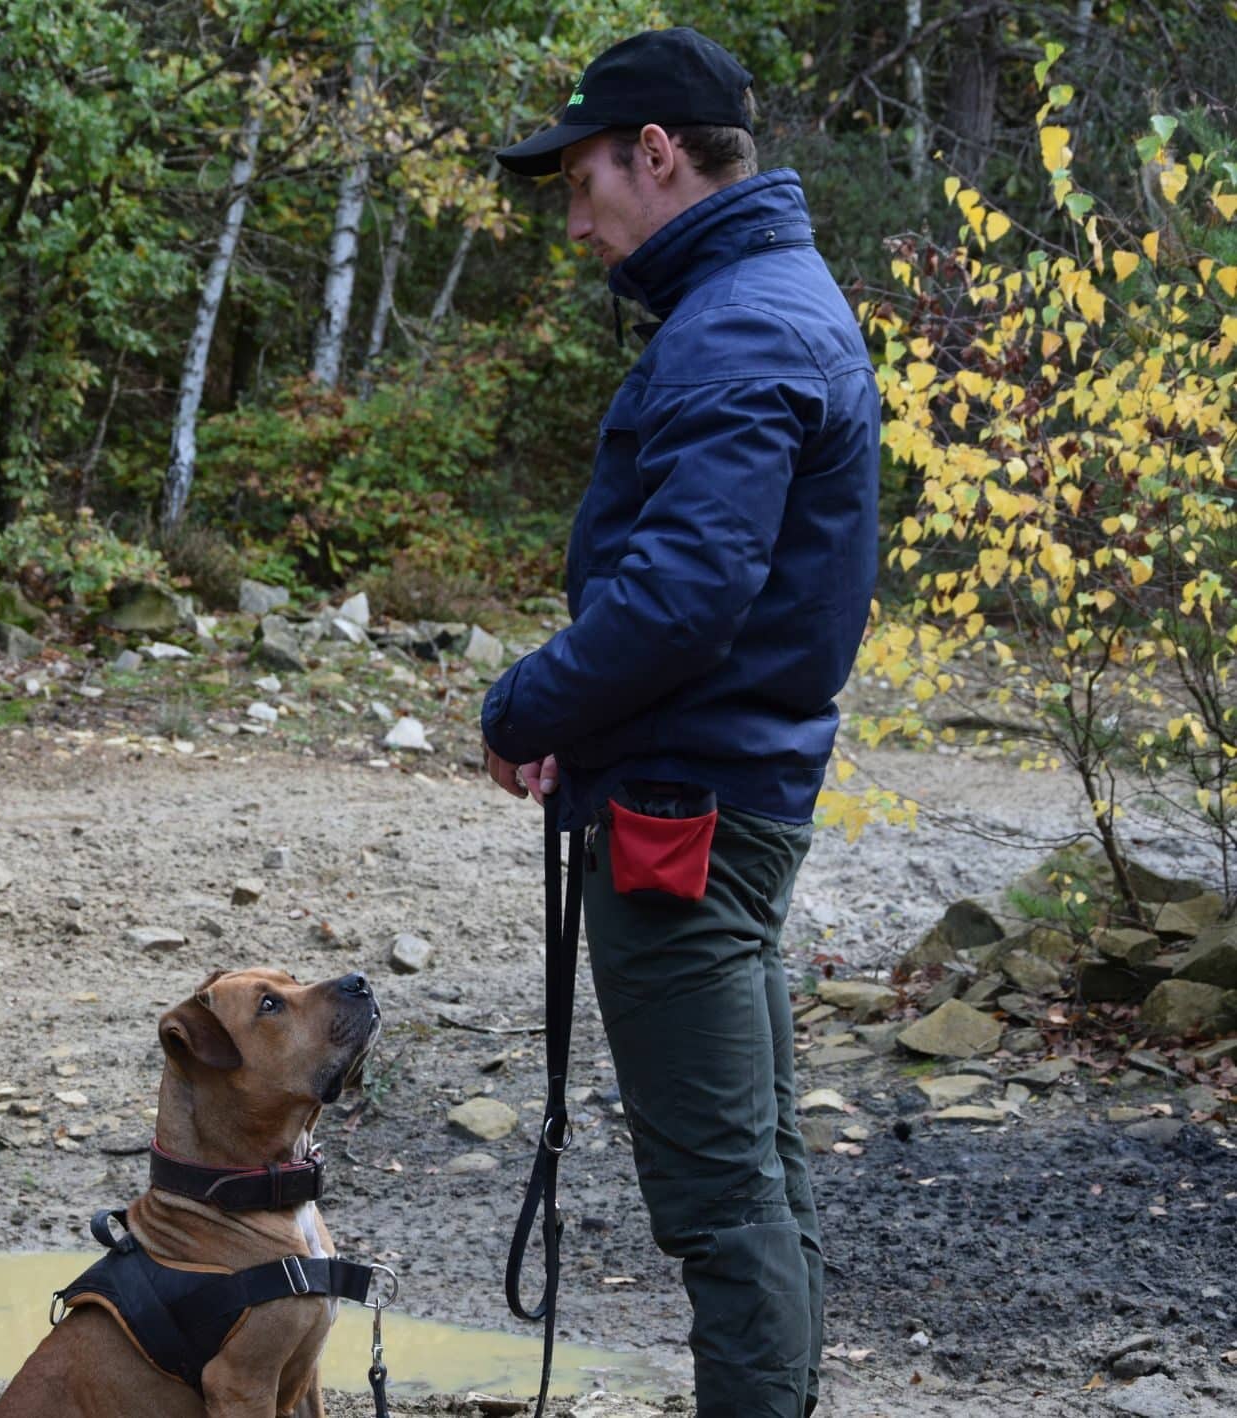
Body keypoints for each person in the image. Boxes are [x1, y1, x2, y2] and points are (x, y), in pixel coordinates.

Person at [479, 26, 880, 1418]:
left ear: (657, 154)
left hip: (685, 818)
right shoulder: (761, 299)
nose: (577, 220)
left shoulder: (742, 321)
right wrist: (576, 720)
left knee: (723, 1204)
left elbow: (681, 598)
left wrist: (524, 702)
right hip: (706, 792)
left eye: (583, 180)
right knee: (756, 1176)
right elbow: (696, 596)